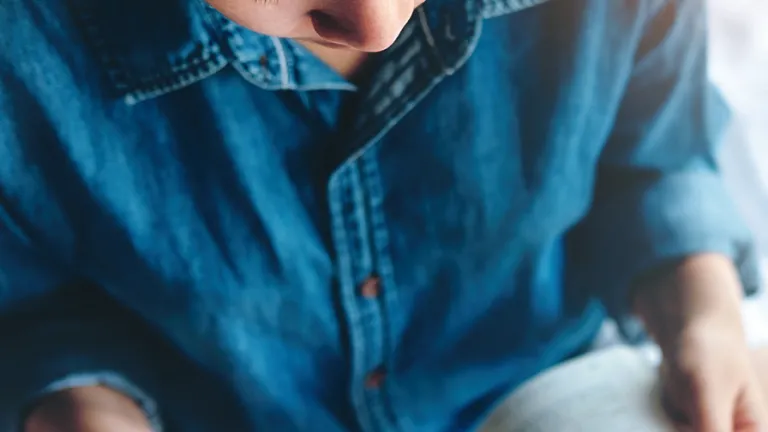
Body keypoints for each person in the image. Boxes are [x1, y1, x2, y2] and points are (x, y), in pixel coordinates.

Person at [0, 0, 766, 431]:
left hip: (540, 385)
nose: (378, 23)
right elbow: (33, 297)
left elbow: (655, 154)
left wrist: (703, 311)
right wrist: (83, 405)